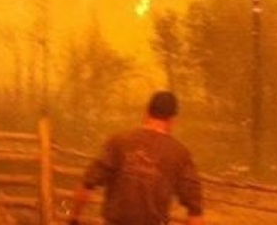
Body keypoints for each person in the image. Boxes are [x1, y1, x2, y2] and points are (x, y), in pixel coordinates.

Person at [68, 91, 204, 225]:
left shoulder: (119, 141)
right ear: (172, 120)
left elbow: (88, 183)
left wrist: (74, 217)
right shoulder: (179, 153)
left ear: (147, 113)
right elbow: (195, 208)